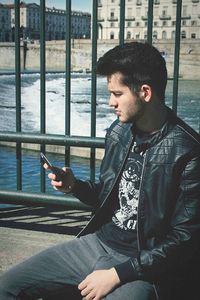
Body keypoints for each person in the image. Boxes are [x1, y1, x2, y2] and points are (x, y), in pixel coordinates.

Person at [0, 41, 200, 300]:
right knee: (7, 286)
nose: (110, 102)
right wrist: (75, 187)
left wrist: (118, 274)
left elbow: (184, 239)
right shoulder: (118, 133)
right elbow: (107, 196)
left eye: (117, 94)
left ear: (145, 92)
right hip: (98, 243)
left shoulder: (188, 150)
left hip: (144, 265)